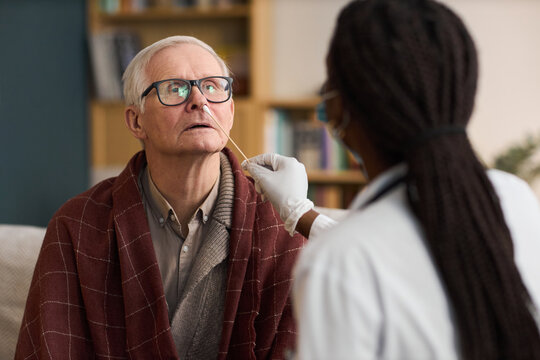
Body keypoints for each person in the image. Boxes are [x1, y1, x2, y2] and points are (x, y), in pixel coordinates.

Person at [243, 0, 540, 358]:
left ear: (338, 108)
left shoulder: (337, 263)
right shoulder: (515, 198)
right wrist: (299, 213)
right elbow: (408, 258)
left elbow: (372, 259)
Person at [15, 35, 306, 359]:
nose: (199, 101)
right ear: (136, 121)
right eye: (175, 88)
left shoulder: (281, 223)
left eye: (212, 86)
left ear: (230, 111)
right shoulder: (77, 225)